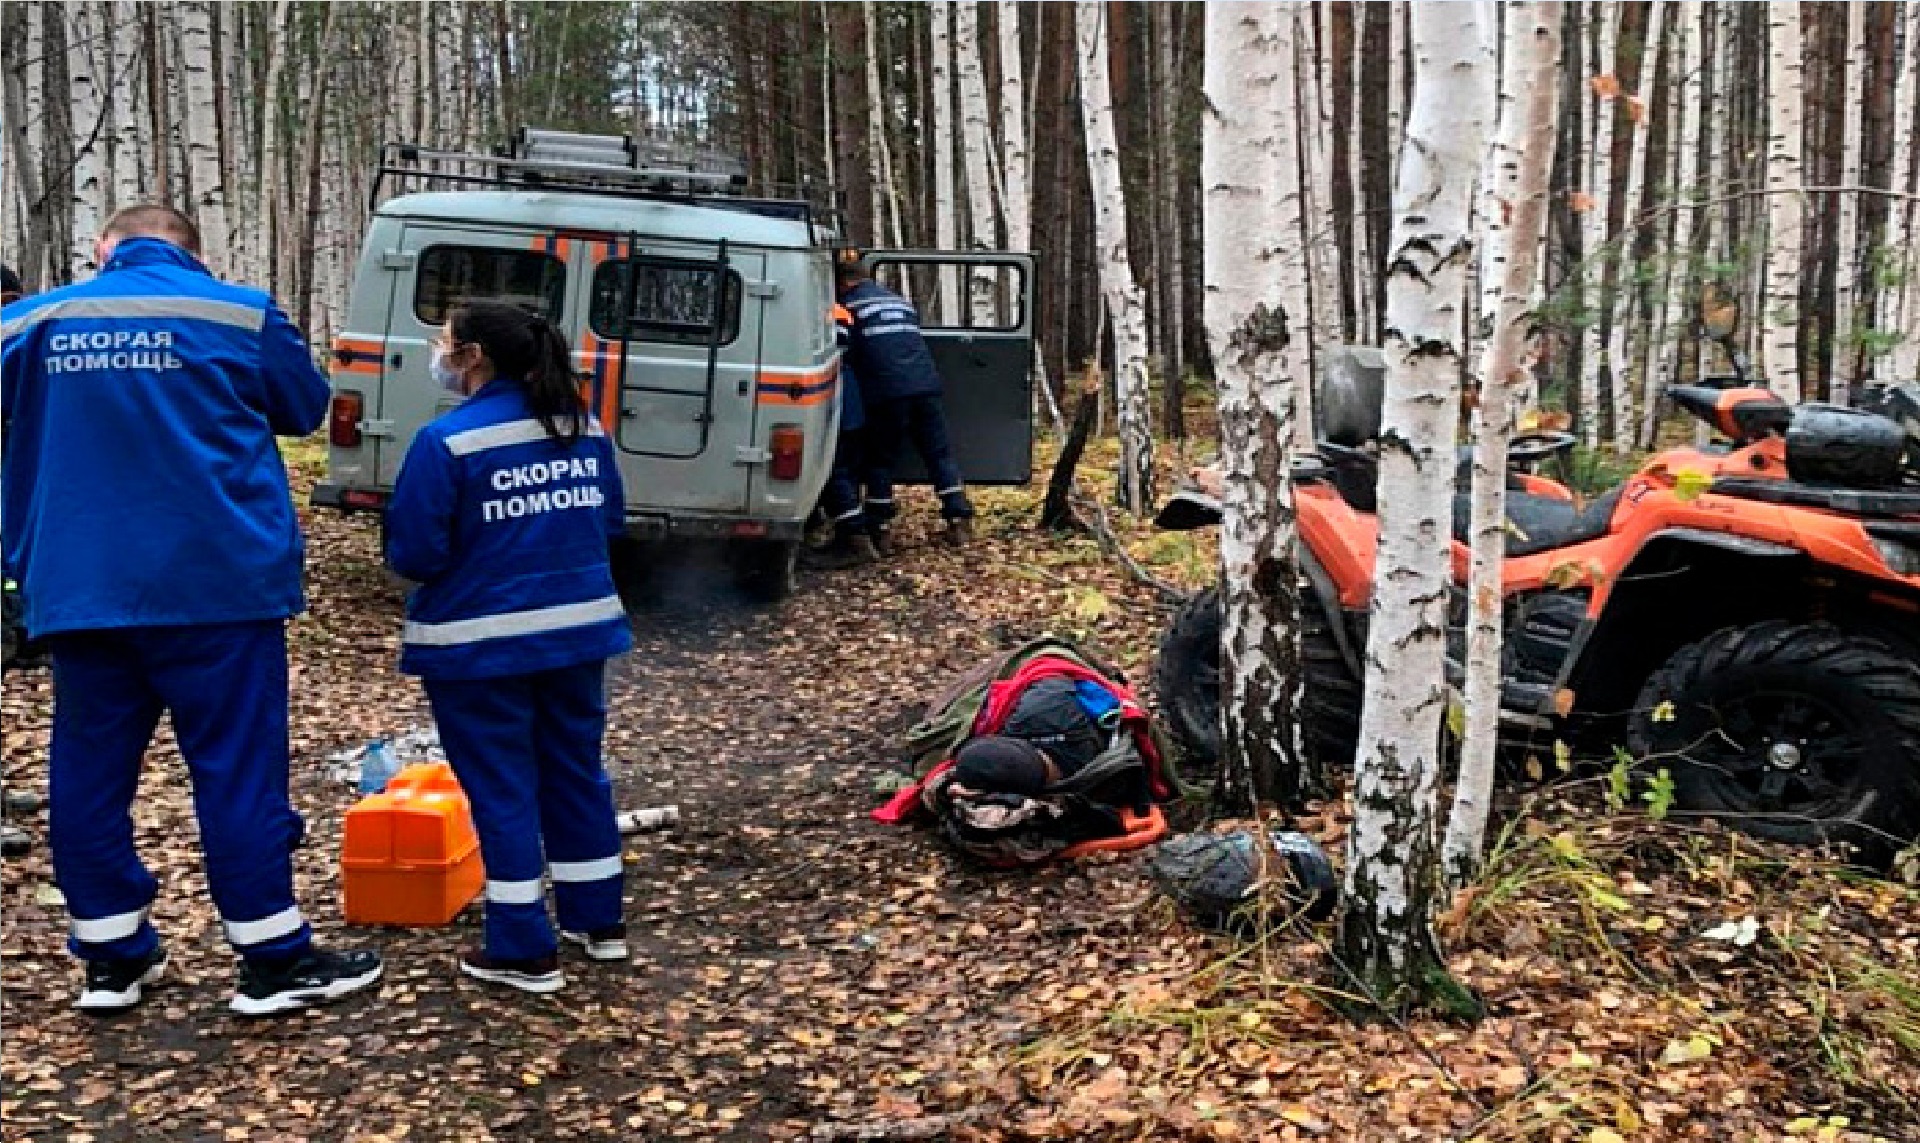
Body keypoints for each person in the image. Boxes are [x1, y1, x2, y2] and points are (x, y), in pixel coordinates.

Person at [1, 204, 383, 1016]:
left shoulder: (31, 321)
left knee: (88, 772)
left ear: (104, 251)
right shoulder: (237, 314)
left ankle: (110, 955)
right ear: (192, 251)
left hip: (82, 589)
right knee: (236, 768)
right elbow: (303, 407)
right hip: (219, 587)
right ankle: (270, 956)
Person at [384, 299, 632, 995]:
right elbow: (609, 521)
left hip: (479, 644)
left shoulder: (448, 442)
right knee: (575, 770)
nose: (437, 350)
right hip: (578, 635)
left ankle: (523, 945)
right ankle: (598, 920)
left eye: (445, 340)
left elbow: (416, 551)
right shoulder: (584, 428)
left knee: (502, 785)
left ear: (474, 357)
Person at [834, 255, 975, 548]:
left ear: (843, 282)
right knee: (939, 454)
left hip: (886, 390)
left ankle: (879, 526)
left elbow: (845, 351)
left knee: (880, 459)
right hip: (926, 386)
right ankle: (959, 520)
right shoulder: (898, 301)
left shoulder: (849, 306)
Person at [807, 302, 880, 568]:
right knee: (846, 472)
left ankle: (855, 537)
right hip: (852, 405)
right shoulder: (844, 314)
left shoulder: (822, 311)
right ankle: (849, 533)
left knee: (835, 473)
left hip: (838, 406)